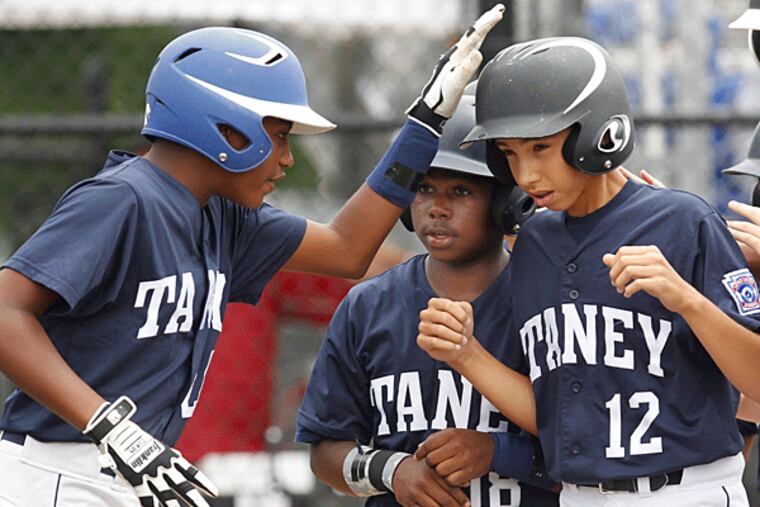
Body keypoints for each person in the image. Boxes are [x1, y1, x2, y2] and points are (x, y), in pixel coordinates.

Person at [0, 7, 505, 507]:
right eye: (279, 134)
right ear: (226, 127)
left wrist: (423, 123)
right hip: (57, 470)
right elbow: (6, 311)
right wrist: (109, 423)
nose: (286, 158)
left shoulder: (225, 218)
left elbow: (348, 249)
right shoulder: (123, 198)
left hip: (136, 472)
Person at [416, 36, 760, 506]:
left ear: (600, 134)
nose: (527, 175)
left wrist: (687, 301)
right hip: (580, 495)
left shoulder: (684, 221)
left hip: (686, 489)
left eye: (541, 147)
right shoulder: (534, 243)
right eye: (510, 152)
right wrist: (466, 354)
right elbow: (558, 415)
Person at [295, 93, 557, 507]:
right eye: (423, 188)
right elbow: (326, 452)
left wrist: (497, 452)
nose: (437, 207)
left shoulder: (546, 302)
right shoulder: (368, 306)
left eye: (461, 191)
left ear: (506, 202)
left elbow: (589, 446)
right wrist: (393, 471)